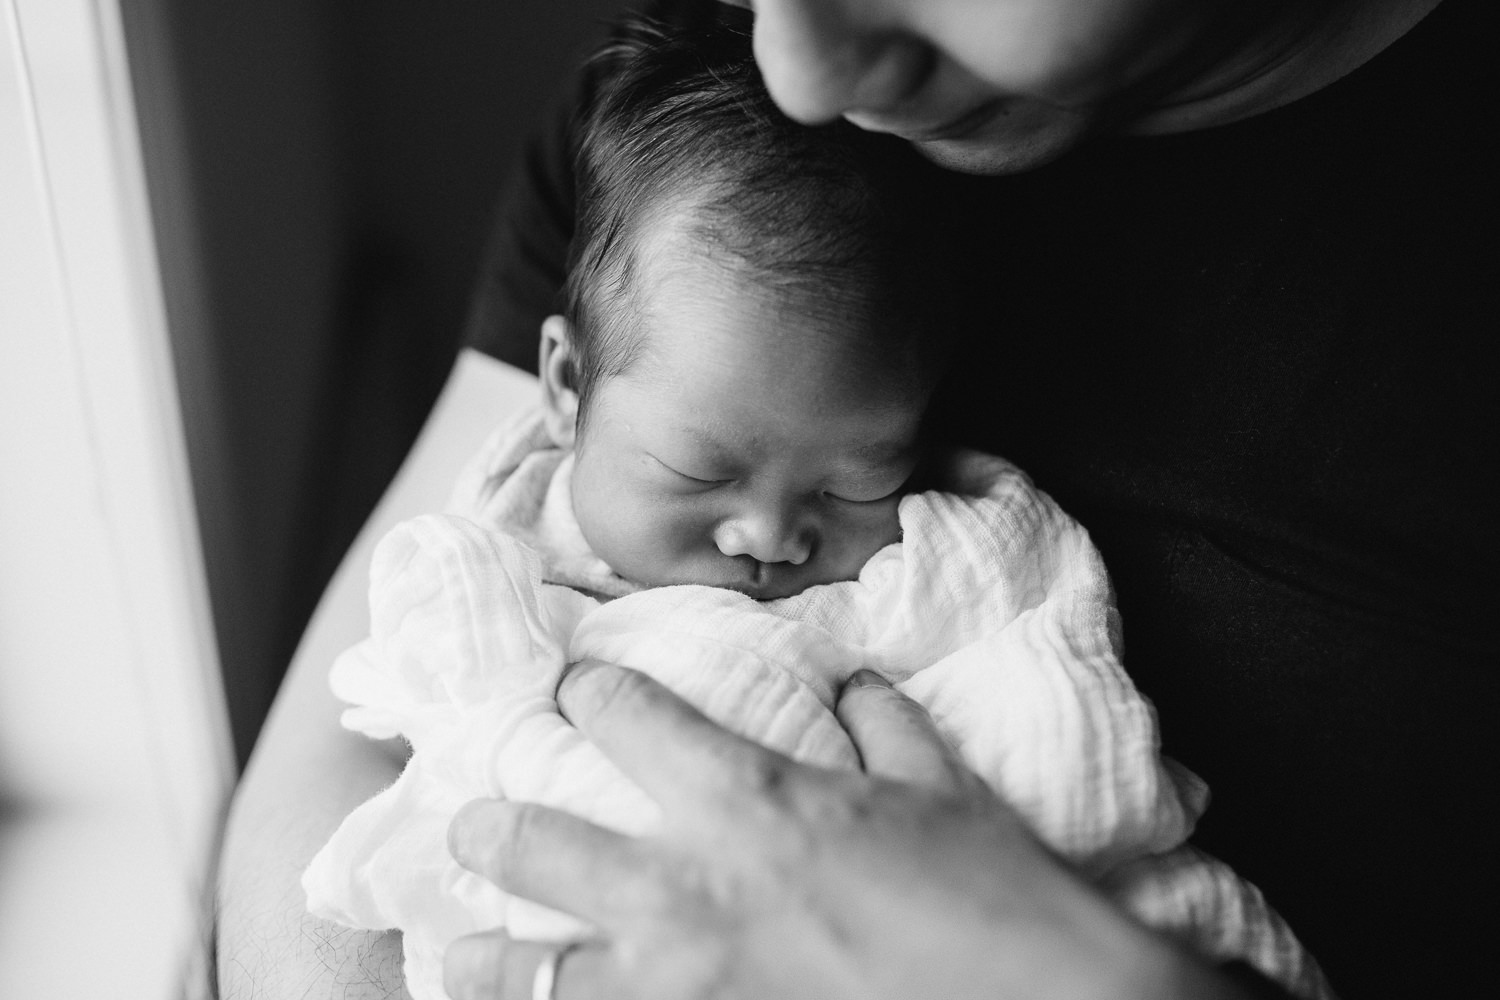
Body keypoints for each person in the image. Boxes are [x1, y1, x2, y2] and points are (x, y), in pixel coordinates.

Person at [217, 1, 1494, 998]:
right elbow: (334, 759)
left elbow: (1049, 707)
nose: (803, 67)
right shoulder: (693, 131)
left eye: (855, 479)